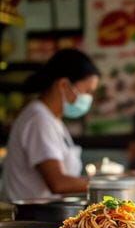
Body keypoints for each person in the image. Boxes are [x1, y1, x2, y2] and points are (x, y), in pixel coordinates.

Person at [0, 48, 100, 202]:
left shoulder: (52, 118)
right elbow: (58, 183)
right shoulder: (38, 119)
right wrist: (108, 184)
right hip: (28, 217)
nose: (89, 98)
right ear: (64, 85)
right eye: (87, 91)